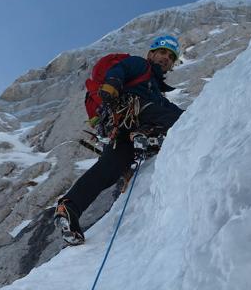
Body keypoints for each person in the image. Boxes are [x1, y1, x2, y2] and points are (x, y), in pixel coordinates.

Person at [55, 34, 183, 244]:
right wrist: (113, 83)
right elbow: (121, 69)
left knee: (108, 169)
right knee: (179, 120)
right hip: (134, 112)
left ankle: (69, 208)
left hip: (121, 132)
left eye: (170, 56)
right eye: (162, 52)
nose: (165, 58)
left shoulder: (158, 92)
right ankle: (145, 135)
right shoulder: (140, 64)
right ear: (151, 54)